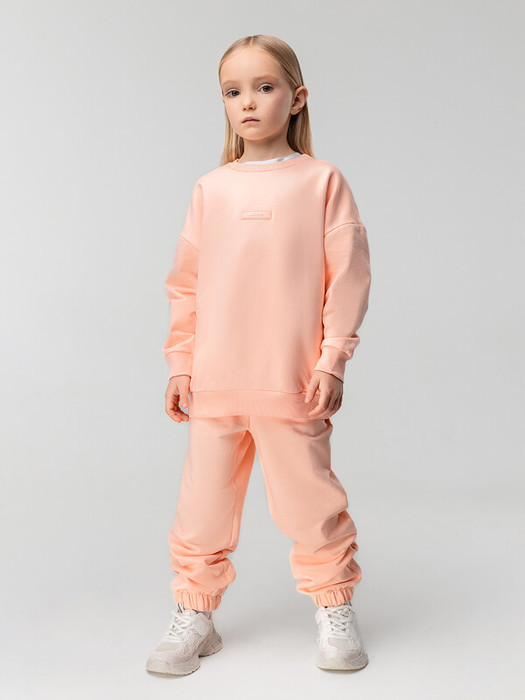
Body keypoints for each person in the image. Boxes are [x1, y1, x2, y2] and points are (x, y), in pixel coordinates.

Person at [146, 34, 372, 677]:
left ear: (296, 99)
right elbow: (186, 284)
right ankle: (195, 615)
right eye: (233, 91)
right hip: (215, 382)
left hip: (290, 380)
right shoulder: (211, 188)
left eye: (264, 87)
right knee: (202, 508)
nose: (247, 102)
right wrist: (180, 364)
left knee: (310, 504)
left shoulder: (321, 182)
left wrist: (332, 360)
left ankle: (334, 607)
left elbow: (348, 277)